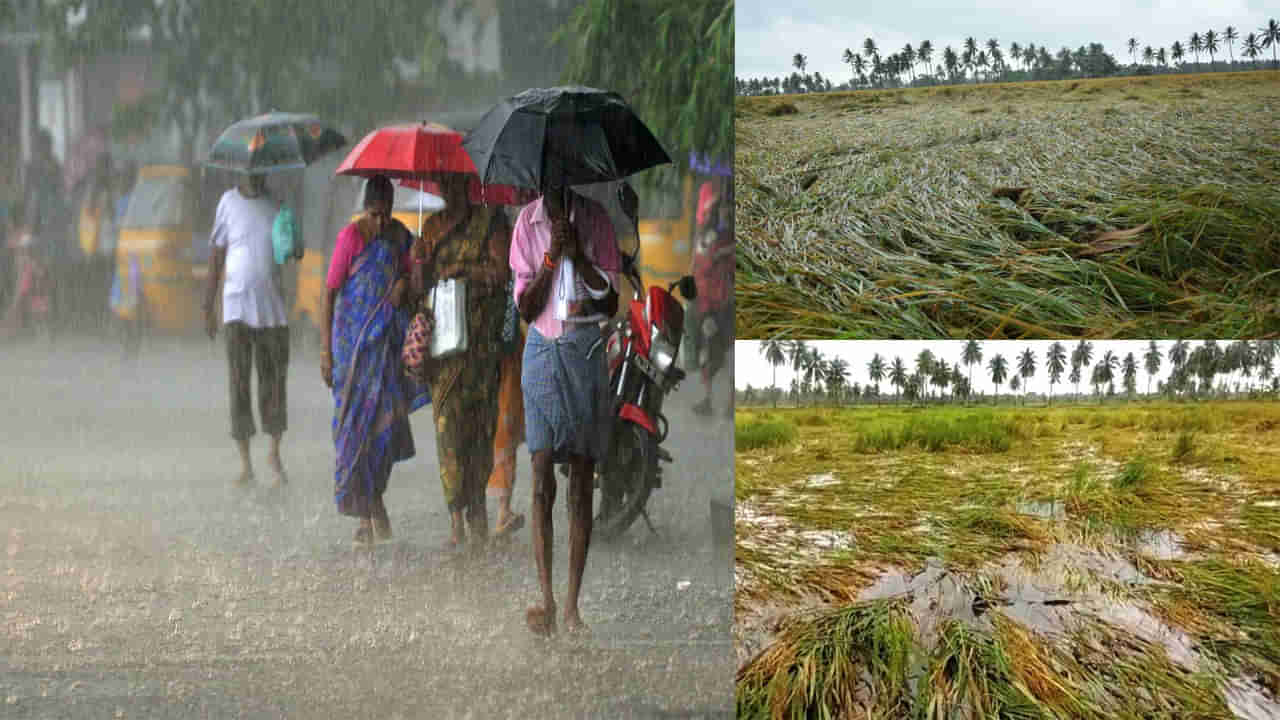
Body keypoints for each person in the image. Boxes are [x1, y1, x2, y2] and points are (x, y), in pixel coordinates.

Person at [510, 181, 621, 636]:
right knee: (539, 477)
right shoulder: (525, 224)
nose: (550, 180)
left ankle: (573, 605)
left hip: (583, 351)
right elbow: (525, 306)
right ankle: (547, 599)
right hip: (540, 351)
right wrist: (552, 259)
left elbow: (610, 299)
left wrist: (577, 254)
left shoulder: (595, 220)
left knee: (580, 480)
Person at [322, 175, 425, 545]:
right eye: (374, 214)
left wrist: (410, 275)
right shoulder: (350, 239)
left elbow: (417, 288)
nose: (380, 222)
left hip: (385, 354)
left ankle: (374, 502)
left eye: (386, 214)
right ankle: (365, 516)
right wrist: (325, 351)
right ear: (365, 208)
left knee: (382, 431)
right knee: (353, 433)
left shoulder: (400, 238)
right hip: (352, 354)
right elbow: (330, 294)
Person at [410, 173, 510, 549]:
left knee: (480, 431)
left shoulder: (491, 222)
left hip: (481, 350)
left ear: (469, 186)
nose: (449, 191)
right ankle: (455, 519)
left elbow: (502, 274)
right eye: (443, 186)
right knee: (447, 429)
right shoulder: (432, 227)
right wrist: (420, 262)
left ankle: (477, 510)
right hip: (444, 349)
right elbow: (419, 287)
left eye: (456, 185)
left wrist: (464, 271)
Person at [204, 173, 291, 490]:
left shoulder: (278, 204)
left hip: (273, 310)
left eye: (260, 168)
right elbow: (216, 255)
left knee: (274, 382)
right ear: (240, 170)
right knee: (239, 383)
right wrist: (208, 305)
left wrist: (293, 245)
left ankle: (274, 453)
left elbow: (289, 252)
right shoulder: (227, 202)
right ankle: (245, 464)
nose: (255, 174)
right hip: (236, 306)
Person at [486, 205, 526, 539]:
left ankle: (502, 509)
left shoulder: (515, 267)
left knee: (506, 429)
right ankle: (475, 512)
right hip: (482, 355)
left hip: (508, 354)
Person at [690, 178, 734, 417]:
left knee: (728, 354)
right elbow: (700, 275)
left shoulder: (726, 239)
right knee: (713, 352)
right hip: (713, 306)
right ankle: (711, 399)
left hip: (725, 304)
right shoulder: (708, 241)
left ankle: (727, 402)